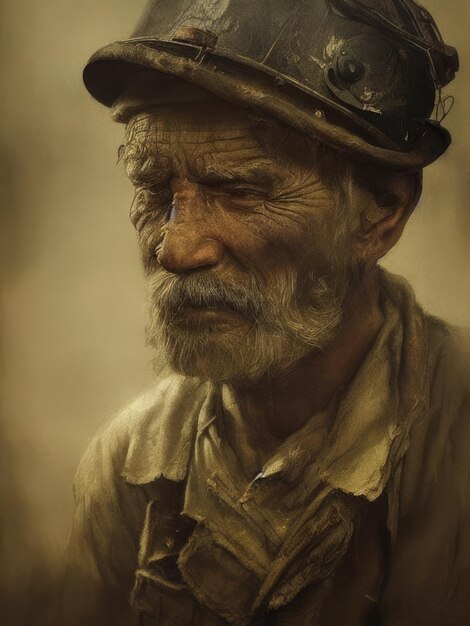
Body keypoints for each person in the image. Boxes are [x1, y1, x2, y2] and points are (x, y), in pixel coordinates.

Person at [62, 1, 470, 624]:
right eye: (152, 187)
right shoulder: (129, 467)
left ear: (380, 213)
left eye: (241, 190)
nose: (174, 249)